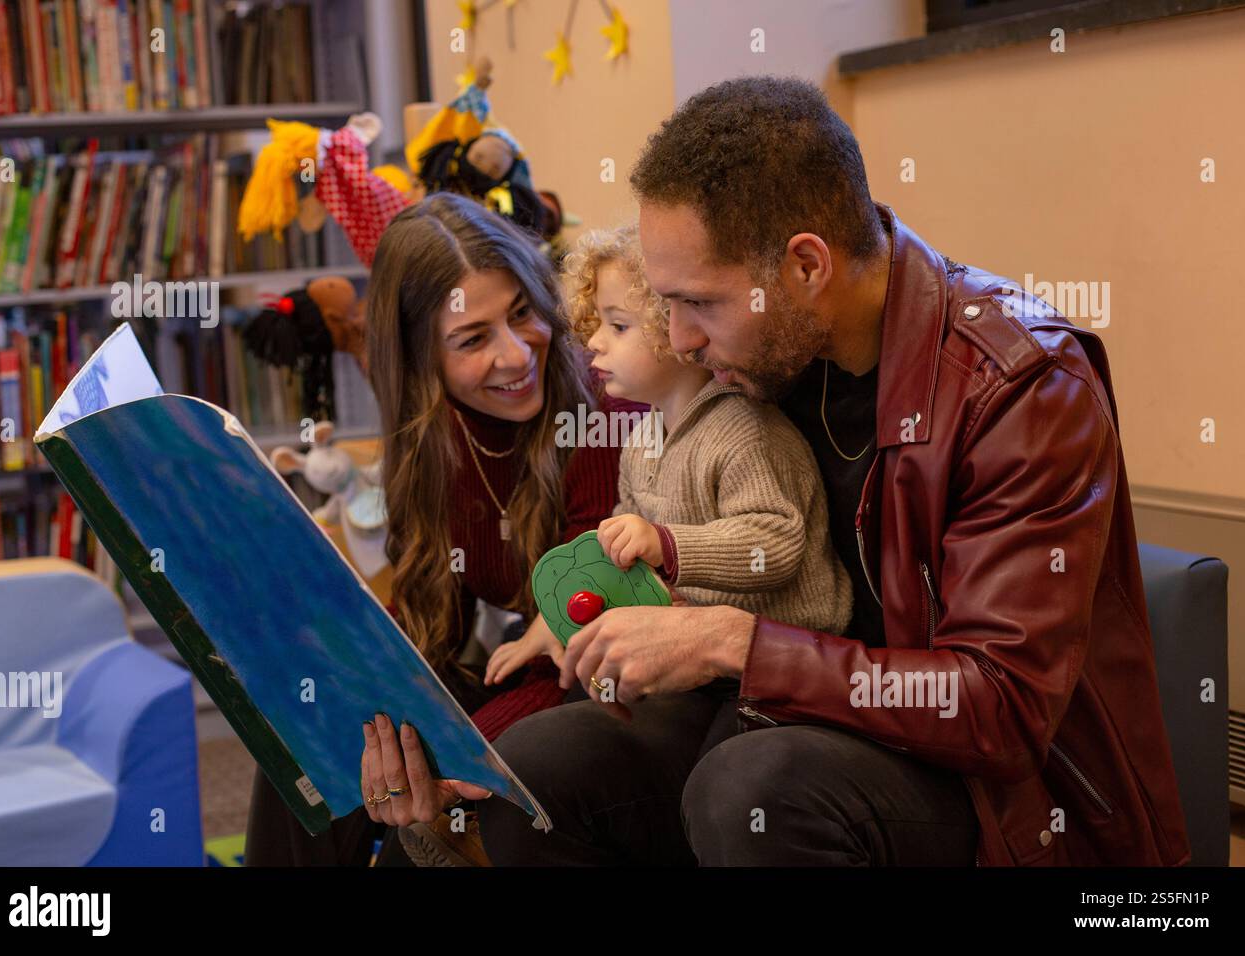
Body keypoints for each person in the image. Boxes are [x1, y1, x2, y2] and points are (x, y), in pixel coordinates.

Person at [473, 76, 1190, 866]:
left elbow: (1002, 710)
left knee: (752, 789)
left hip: (1004, 796)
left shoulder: (1019, 387)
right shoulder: (775, 358)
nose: (679, 340)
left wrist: (735, 642)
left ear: (807, 266)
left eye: (700, 305)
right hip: (805, 722)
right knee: (537, 772)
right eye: (664, 306)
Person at [246, 192, 625, 866]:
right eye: (474, 339)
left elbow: (580, 633)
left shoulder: (600, 403)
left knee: (406, 837)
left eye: (521, 314)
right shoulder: (433, 441)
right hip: (515, 675)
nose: (516, 354)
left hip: (594, 684)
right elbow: (427, 629)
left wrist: (458, 759)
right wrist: (335, 669)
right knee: (309, 731)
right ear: (422, 360)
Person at [485, 224, 851, 687]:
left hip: (776, 662)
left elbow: (774, 544)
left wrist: (666, 545)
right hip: (688, 656)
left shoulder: (747, 432)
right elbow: (625, 538)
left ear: (678, 331)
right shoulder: (640, 440)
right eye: (596, 323)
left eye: (618, 325)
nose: (594, 342)